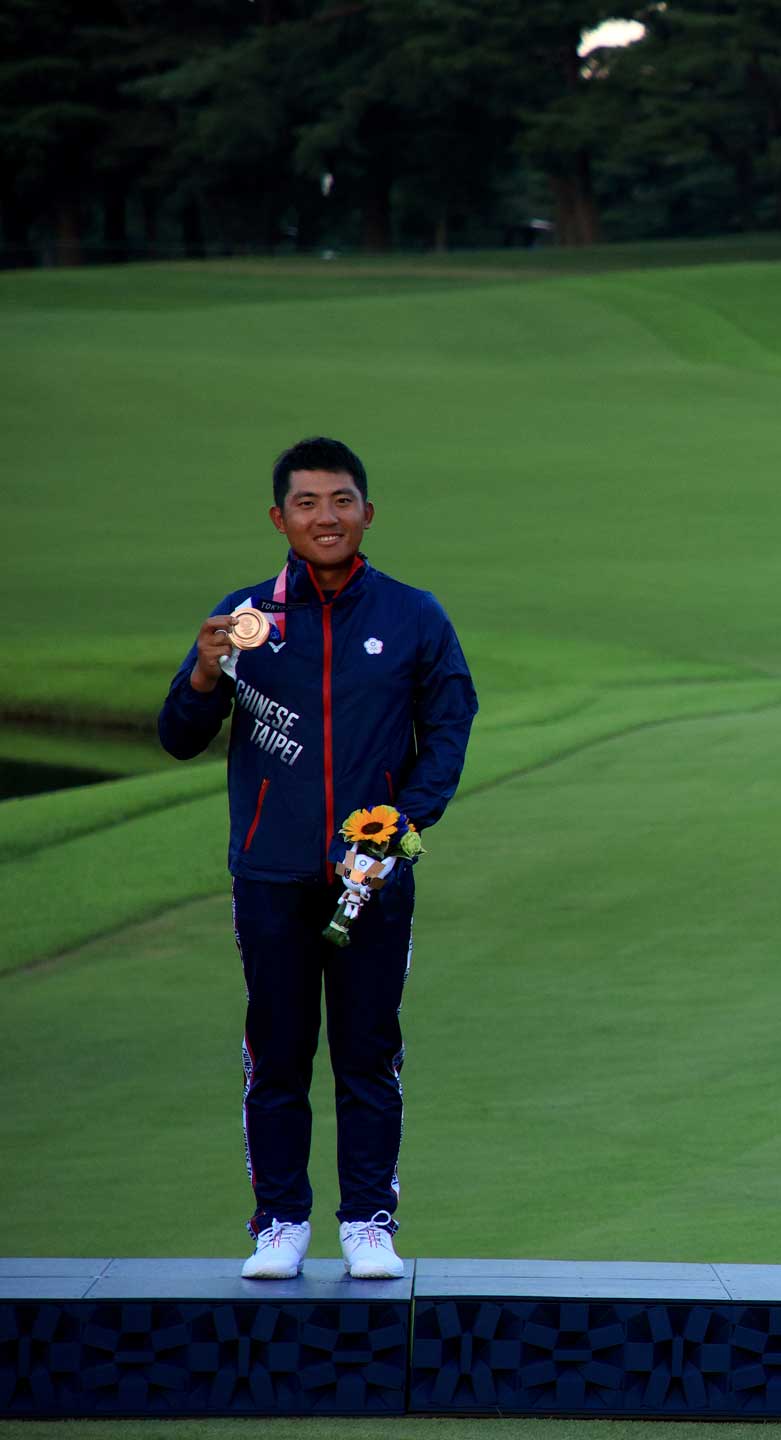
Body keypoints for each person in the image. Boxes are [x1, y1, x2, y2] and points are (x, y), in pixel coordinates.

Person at [158, 437, 477, 1280]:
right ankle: (281, 1225)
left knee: (369, 1051)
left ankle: (368, 1222)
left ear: (367, 512)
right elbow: (179, 737)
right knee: (278, 1050)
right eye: (306, 503)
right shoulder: (247, 619)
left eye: (341, 500)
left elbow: (448, 727)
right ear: (279, 518)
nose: (325, 517)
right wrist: (202, 671)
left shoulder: (414, 616)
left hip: (370, 878)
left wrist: (397, 825)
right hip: (269, 873)